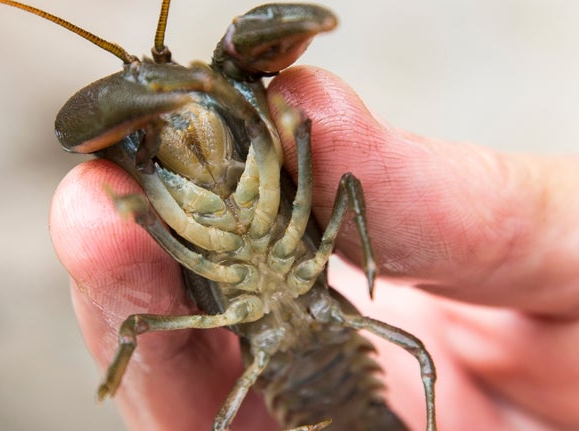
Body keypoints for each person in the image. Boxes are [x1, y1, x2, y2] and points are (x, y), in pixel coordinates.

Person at [49, 66, 579, 430]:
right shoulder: (162, 193)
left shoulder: (246, 149)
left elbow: (332, 170)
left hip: (335, 354)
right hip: (285, 369)